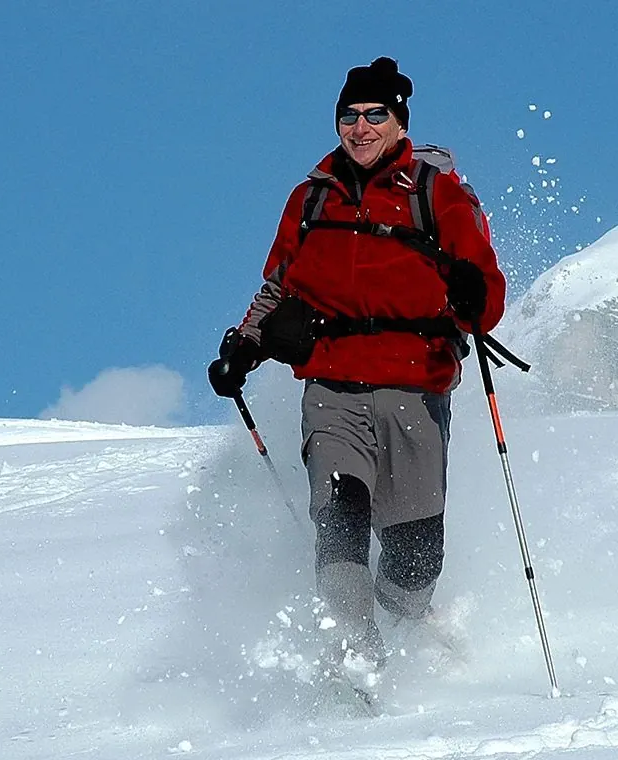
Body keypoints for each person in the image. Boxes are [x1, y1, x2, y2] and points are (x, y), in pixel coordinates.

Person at [206, 57, 506, 677]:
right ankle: (354, 659)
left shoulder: (435, 193)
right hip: (332, 386)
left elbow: (485, 287)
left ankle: (409, 621)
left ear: (399, 123)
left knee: (414, 552)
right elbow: (279, 286)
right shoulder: (311, 199)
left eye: (376, 115)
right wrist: (245, 343)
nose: (360, 127)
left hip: (414, 386)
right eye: (349, 115)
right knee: (339, 515)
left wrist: (477, 298)